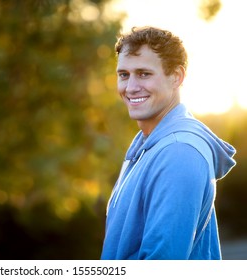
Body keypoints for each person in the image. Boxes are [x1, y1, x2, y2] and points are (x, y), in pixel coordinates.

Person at [101, 26, 236, 260]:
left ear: (177, 77)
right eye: (124, 75)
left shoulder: (179, 153)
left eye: (144, 73)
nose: (130, 87)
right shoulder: (147, 146)